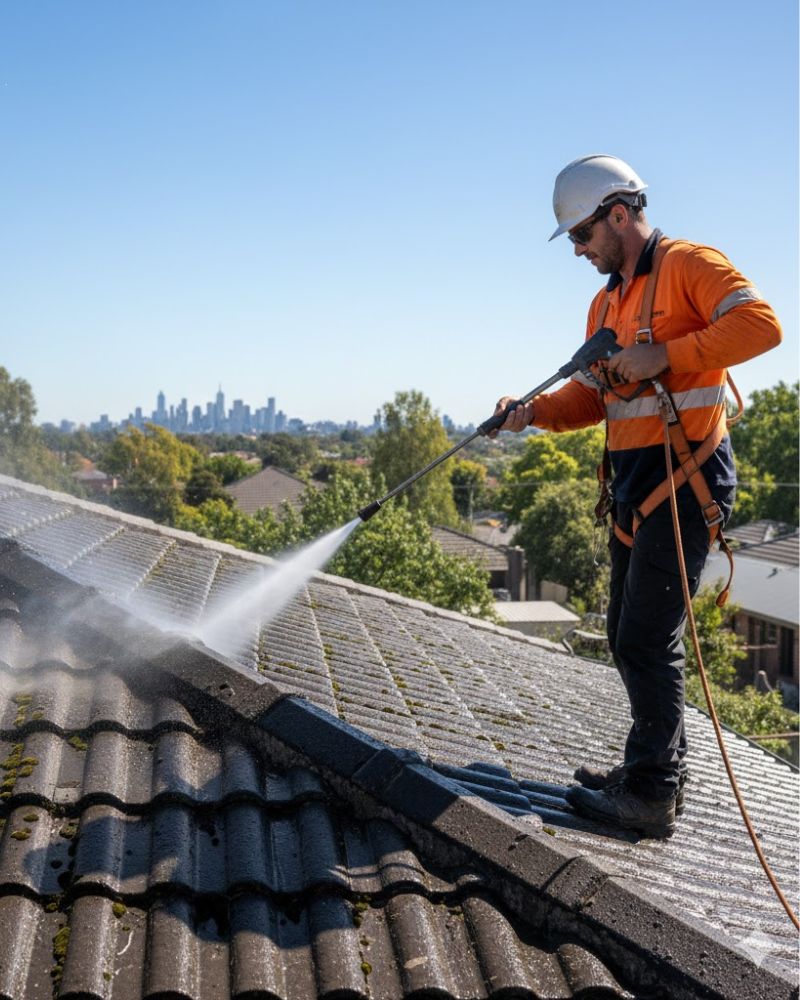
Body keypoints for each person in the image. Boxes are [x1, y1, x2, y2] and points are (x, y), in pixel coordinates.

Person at [495, 154, 782, 838]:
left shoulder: (688, 266)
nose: (577, 249)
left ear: (619, 215)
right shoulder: (606, 302)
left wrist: (668, 354)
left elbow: (763, 325)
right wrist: (531, 414)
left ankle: (652, 794)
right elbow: (593, 398)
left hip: (685, 481)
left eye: (582, 235)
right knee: (631, 640)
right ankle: (657, 769)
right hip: (634, 485)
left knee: (645, 639)